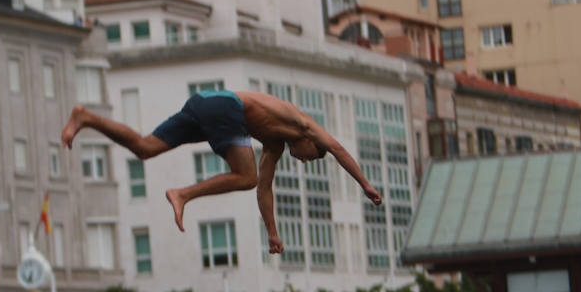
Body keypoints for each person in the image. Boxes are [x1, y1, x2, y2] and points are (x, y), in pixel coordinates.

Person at [61, 90, 383, 252]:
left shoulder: (274, 147)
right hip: (227, 108)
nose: (304, 160)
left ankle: (86, 118)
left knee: (146, 148)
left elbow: (264, 189)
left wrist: (272, 232)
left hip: (205, 103)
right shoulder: (305, 125)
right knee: (246, 175)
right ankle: (182, 194)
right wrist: (364, 184)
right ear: (311, 143)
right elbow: (338, 148)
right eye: (311, 158)